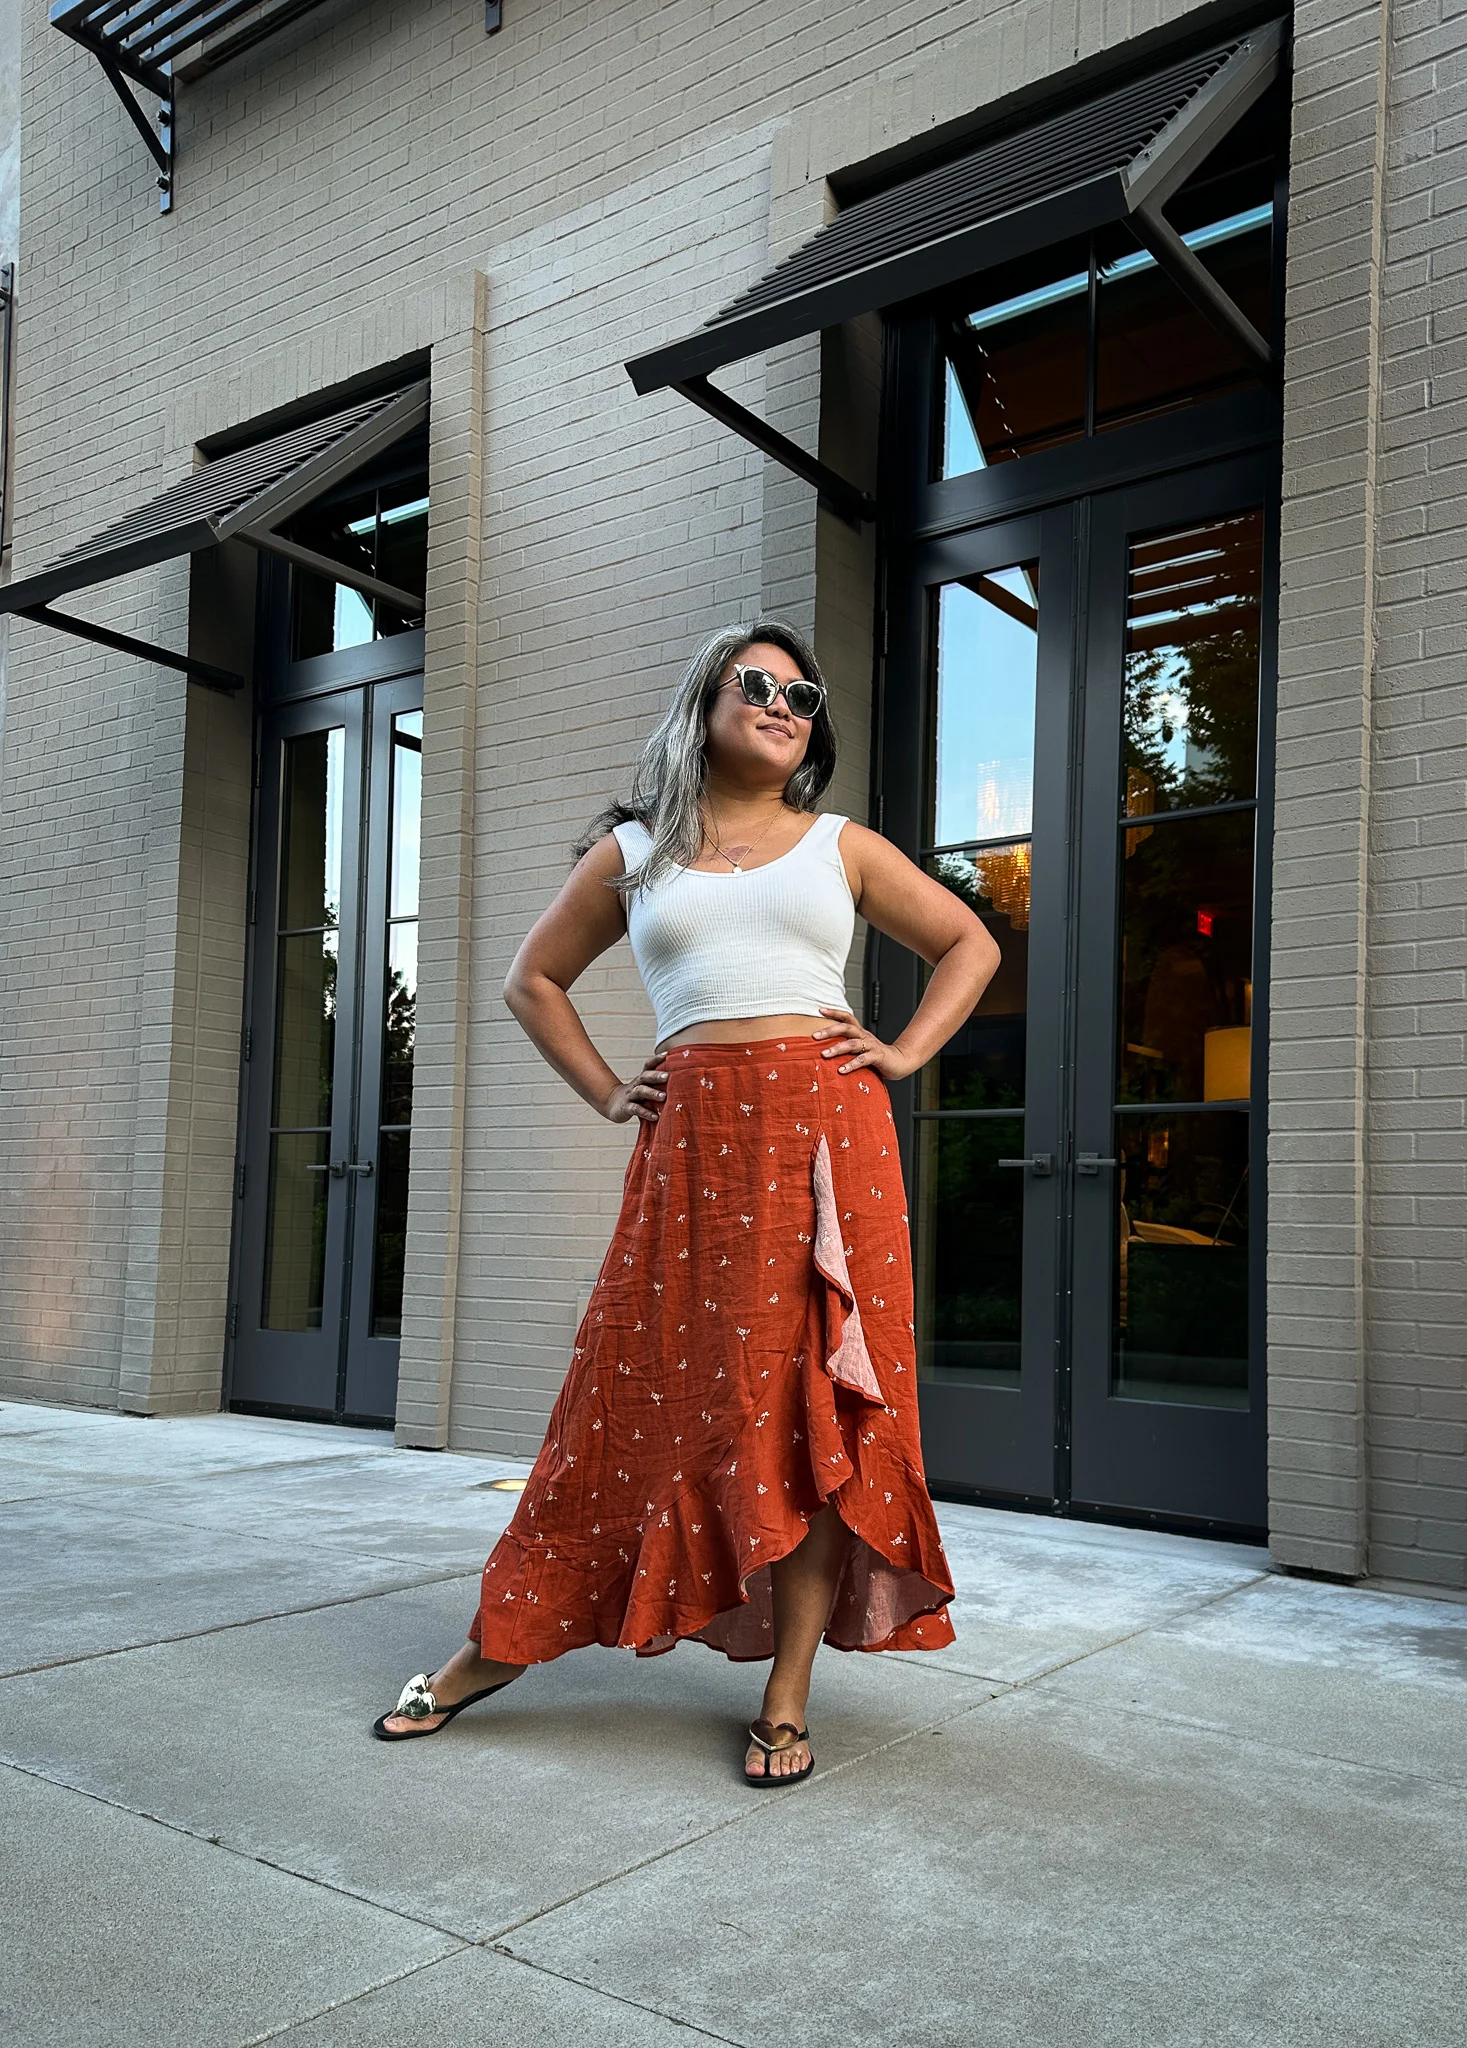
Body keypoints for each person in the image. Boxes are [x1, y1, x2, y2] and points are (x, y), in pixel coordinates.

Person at [373, 620, 1000, 1782]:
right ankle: (498, 1642)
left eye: (802, 695)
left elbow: (970, 941)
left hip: (827, 1140)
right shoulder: (634, 854)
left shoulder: (841, 846)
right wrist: (614, 1088)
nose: (780, 703)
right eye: (754, 684)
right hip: (697, 1148)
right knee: (626, 1396)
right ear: (703, 705)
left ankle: (789, 1691)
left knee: (820, 1407)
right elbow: (533, 980)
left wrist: (904, 1051)